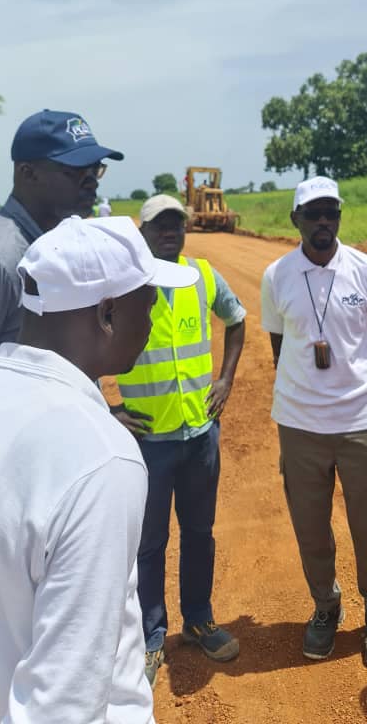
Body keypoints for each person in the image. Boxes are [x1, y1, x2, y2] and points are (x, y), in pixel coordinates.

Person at [0, 215, 200, 723]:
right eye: (149, 301)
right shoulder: (101, 458)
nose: (155, 317)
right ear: (108, 312)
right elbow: (63, 708)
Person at [260, 176, 367, 667]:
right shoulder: (276, 276)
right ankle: (326, 605)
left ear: (339, 217)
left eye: (331, 213)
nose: (324, 222)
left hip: (361, 419)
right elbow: (280, 345)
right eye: (313, 214)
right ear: (295, 219)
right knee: (310, 525)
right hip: (299, 424)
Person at [113, 194, 246, 685]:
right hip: (148, 442)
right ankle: (151, 635)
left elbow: (237, 319)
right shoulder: (125, 283)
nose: (169, 232)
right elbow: (79, 341)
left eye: (176, 224)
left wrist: (226, 380)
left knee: (199, 533)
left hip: (199, 436)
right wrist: (104, 407)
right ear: (141, 231)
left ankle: (198, 619)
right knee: (149, 543)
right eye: (159, 225)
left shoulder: (203, 275)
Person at [0, 109, 123, 416]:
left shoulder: (53, 246)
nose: (91, 183)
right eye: (75, 171)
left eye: (95, 170)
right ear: (27, 173)